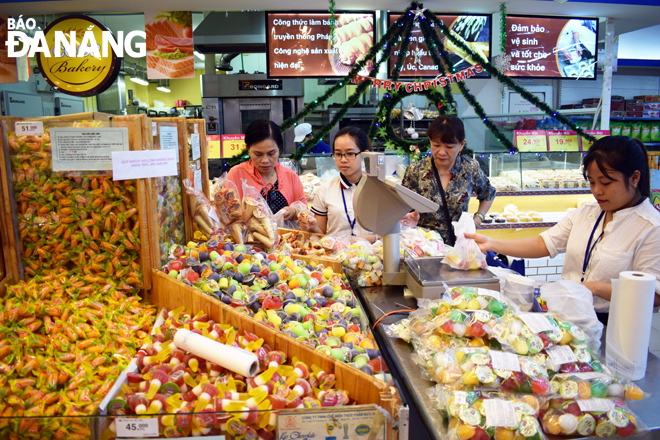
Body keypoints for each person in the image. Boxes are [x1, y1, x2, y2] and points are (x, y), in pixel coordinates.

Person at [467, 136, 660, 325]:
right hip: (570, 314)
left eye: (606, 183)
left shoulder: (651, 227)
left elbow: (655, 295)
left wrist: (594, 288)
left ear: (634, 178)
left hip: (617, 323)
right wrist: (491, 243)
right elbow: (543, 244)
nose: (597, 191)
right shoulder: (588, 212)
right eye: (592, 182)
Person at [400, 115, 496, 245]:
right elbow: (401, 206)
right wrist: (408, 219)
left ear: (461, 145)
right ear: (430, 141)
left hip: (458, 247)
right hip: (424, 247)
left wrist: (477, 220)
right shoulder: (415, 171)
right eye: (436, 145)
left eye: (449, 147)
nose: (441, 152)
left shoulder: (469, 168)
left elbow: (488, 193)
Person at [305, 126, 378, 243]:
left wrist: (361, 240)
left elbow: (389, 232)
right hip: (335, 256)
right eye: (338, 154)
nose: (343, 160)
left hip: (373, 256)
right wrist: (312, 226)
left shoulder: (379, 189)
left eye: (349, 153)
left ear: (365, 154)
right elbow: (320, 233)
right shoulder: (325, 189)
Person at [227, 119, 306, 220]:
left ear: (279, 149)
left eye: (271, 153)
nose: (265, 160)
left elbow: (305, 213)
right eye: (258, 154)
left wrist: (294, 212)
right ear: (248, 150)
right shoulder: (236, 174)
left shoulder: (290, 176)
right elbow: (226, 213)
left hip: (285, 235)